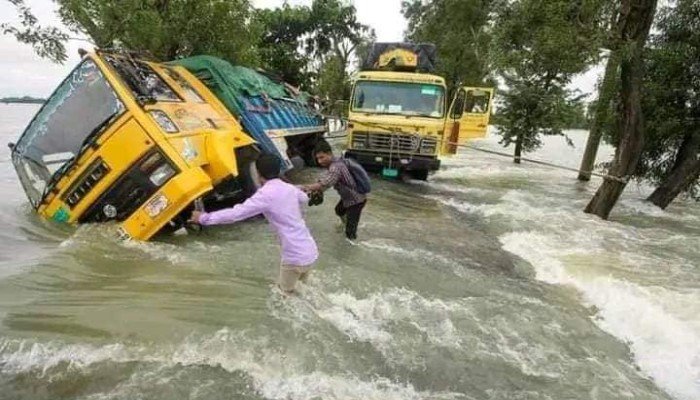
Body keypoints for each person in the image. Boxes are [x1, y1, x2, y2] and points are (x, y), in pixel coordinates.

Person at [190, 154, 318, 294]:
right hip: (310, 250)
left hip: (294, 255)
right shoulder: (290, 189)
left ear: (257, 173)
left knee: (284, 296)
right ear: (278, 170)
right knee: (303, 292)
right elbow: (304, 198)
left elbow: (236, 214)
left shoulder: (264, 195)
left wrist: (204, 218)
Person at [302, 142, 367, 240]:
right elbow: (330, 180)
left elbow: (326, 182)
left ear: (329, 154)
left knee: (350, 233)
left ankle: (352, 246)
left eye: (322, 157)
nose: (319, 161)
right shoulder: (336, 162)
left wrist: (305, 187)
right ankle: (346, 224)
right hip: (349, 198)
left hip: (356, 200)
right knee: (339, 210)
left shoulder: (336, 167)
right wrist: (320, 191)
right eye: (318, 159)